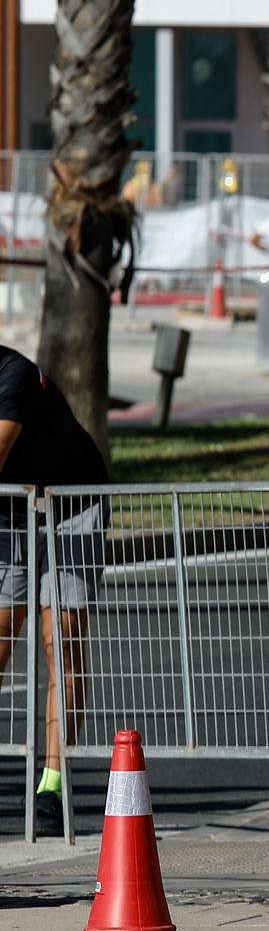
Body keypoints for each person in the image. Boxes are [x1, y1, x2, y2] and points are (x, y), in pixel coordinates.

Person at [0, 348, 107, 836]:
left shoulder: (12, 374)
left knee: (59, 638)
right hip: (11, 511)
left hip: (71, 502)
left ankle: (51, 785)